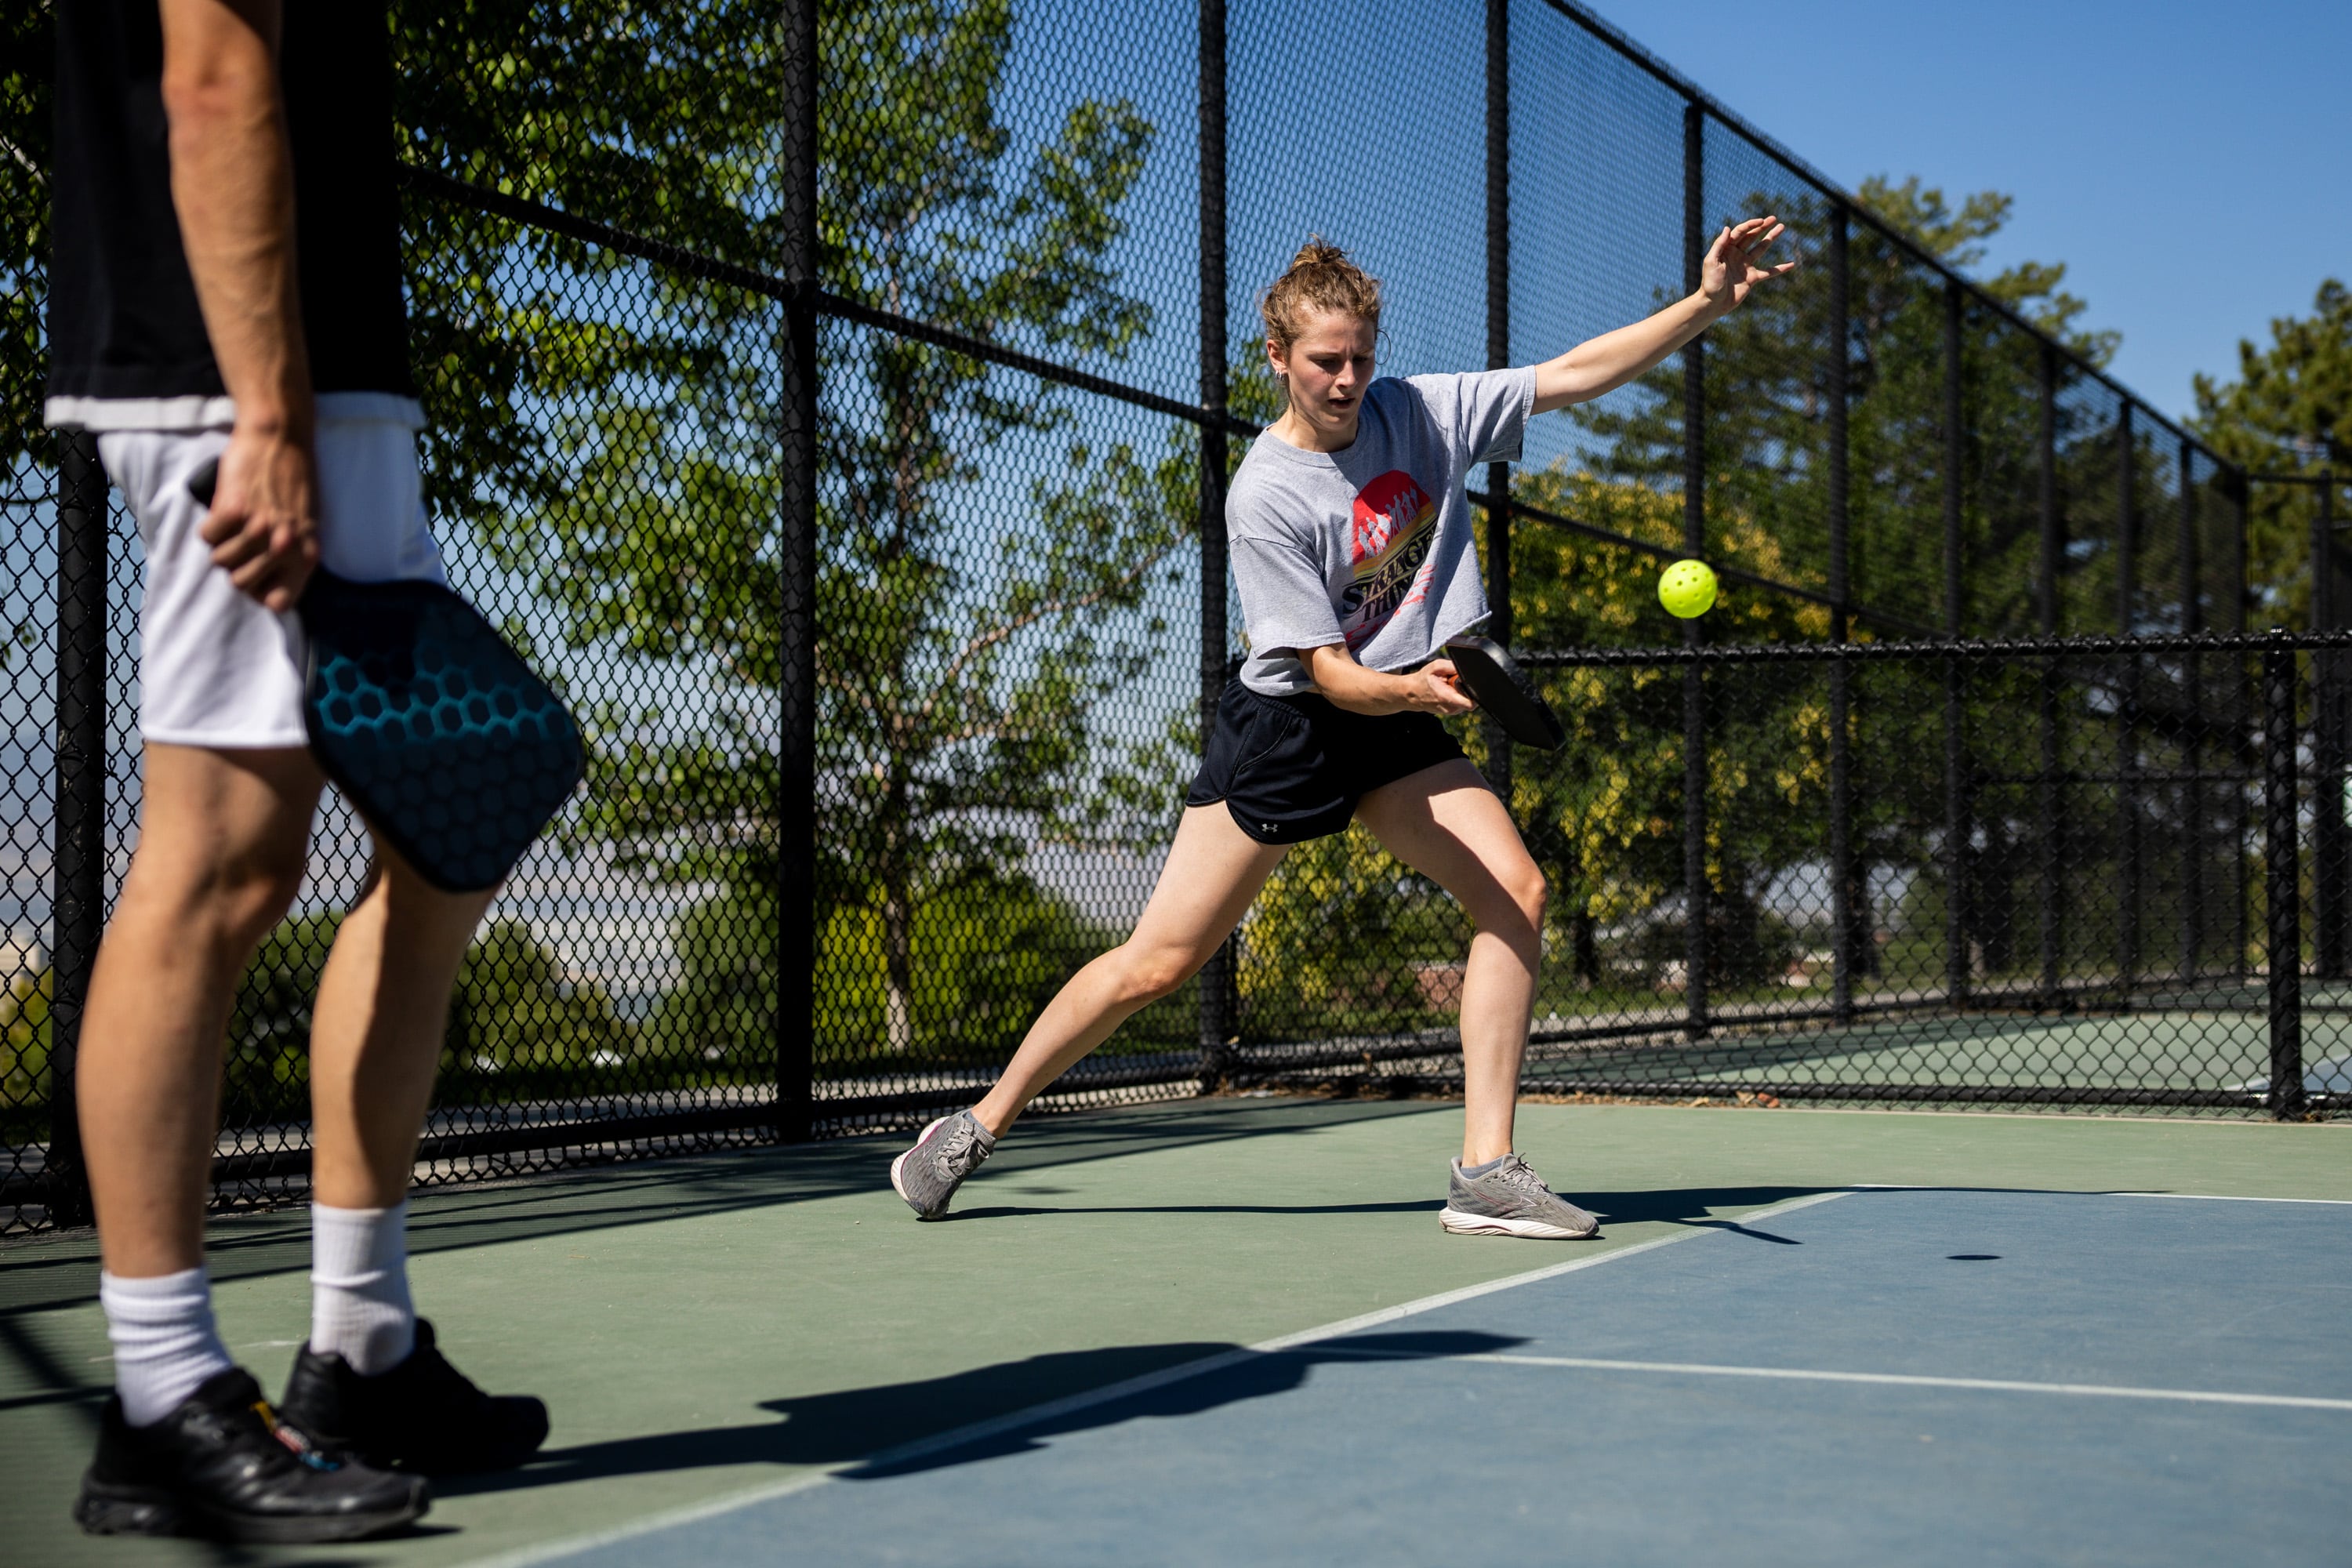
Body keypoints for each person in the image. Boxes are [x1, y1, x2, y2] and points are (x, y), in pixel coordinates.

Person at [892, 222, 1792, 1234]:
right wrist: (1413, 692)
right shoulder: (1266, 495)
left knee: (1518, 893)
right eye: (1326, 360)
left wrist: (1707, 304)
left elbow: (1573, 374)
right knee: (1160, 964)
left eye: (1362, 356)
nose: (1348, 378)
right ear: (1278, 357)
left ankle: (1485, 1171)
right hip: (1292, 728)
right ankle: (973, 1127)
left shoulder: (1419, 412)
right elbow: (1324, 670)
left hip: (1401, 708)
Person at [49, 1, 546, 1542]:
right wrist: (265, 412)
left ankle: (363, 1340)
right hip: (229, 374)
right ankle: (159, 1396)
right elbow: (208, 66)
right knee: (223, 853)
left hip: (323, 365)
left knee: (439, 830)